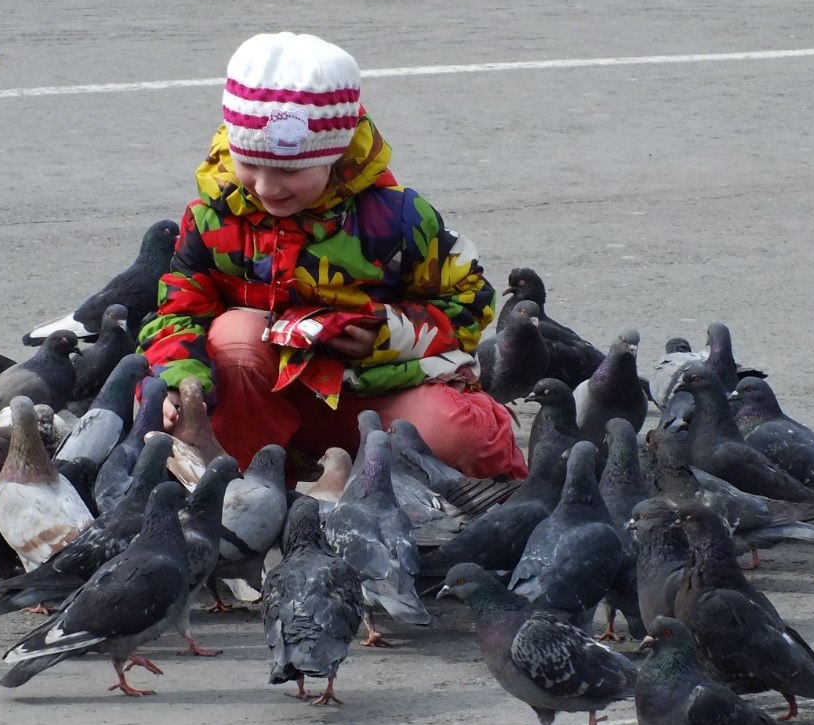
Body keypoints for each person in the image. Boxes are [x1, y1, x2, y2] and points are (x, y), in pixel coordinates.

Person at [139, 32, 526, 481]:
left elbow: (470, 305)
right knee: (236, 340)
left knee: (454, 432)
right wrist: (185, 386)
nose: (266, 188)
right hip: (259, 402)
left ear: (336, 156)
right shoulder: (211, 217)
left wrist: (385, 334)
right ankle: (251, 489)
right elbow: (176, 313)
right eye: (249, 163)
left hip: (369, 395)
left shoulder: (398, 219)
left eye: (290, 170)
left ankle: (462, 480)